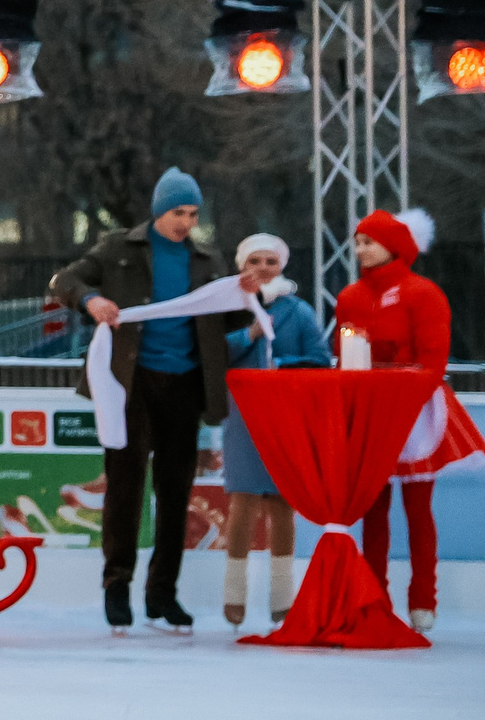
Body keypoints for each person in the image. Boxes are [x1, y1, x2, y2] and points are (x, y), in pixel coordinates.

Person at [51, 167, 249, 635]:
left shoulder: (206, 258)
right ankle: (117, 584)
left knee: (176, 492)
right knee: (125, 485)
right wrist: (91, 300)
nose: (186, 222)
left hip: (185, 384)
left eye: (193, 214)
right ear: (160, 210)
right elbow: (64, 281)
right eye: (179, 212)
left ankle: (162, 594)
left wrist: (247, 298)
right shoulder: (118, 248)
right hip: (131, 382)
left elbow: (219, 320)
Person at [337, 209, 483, 635]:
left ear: (393, 245)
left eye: (368, 241)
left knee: (418, 508)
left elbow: (434, 358)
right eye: (357, 243)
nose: (360, 250)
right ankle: (373, 599)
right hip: (371, 410)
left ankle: (423, 599)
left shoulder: (423, 293)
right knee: (373, 509)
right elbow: (347, 356)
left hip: (414, 411)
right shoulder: (350, 297)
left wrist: (403, 394)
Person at [218, 233, 328, 629]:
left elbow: (319, 359)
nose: (263, 268)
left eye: (271, 261)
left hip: (285, 415)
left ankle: (283, 597)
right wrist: (248, 335)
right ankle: (234, 594)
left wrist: (282, 365)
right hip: (242, 416)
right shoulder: (228, 307)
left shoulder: (298, 311)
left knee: (282, 502)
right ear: (241, 266)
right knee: (243, 500)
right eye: (255, 261)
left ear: (282, 265)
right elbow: (211, 352)